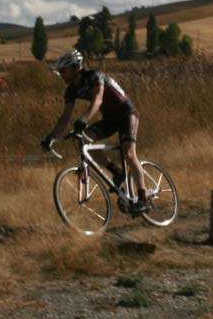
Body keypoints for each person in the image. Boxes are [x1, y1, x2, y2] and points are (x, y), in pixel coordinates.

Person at [41, 50, 149, 213]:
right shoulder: (71, 90)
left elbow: (98, 99)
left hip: (127, 113)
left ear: (76, 67)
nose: (61, 74)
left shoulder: (95, 76)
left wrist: (84, 119)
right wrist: (52, 137)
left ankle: (144, 198)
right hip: (110, 119)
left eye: (63, 71)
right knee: (82, 140)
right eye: (59, 71)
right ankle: (116, 172)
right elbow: (65, 117)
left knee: (128, 154)